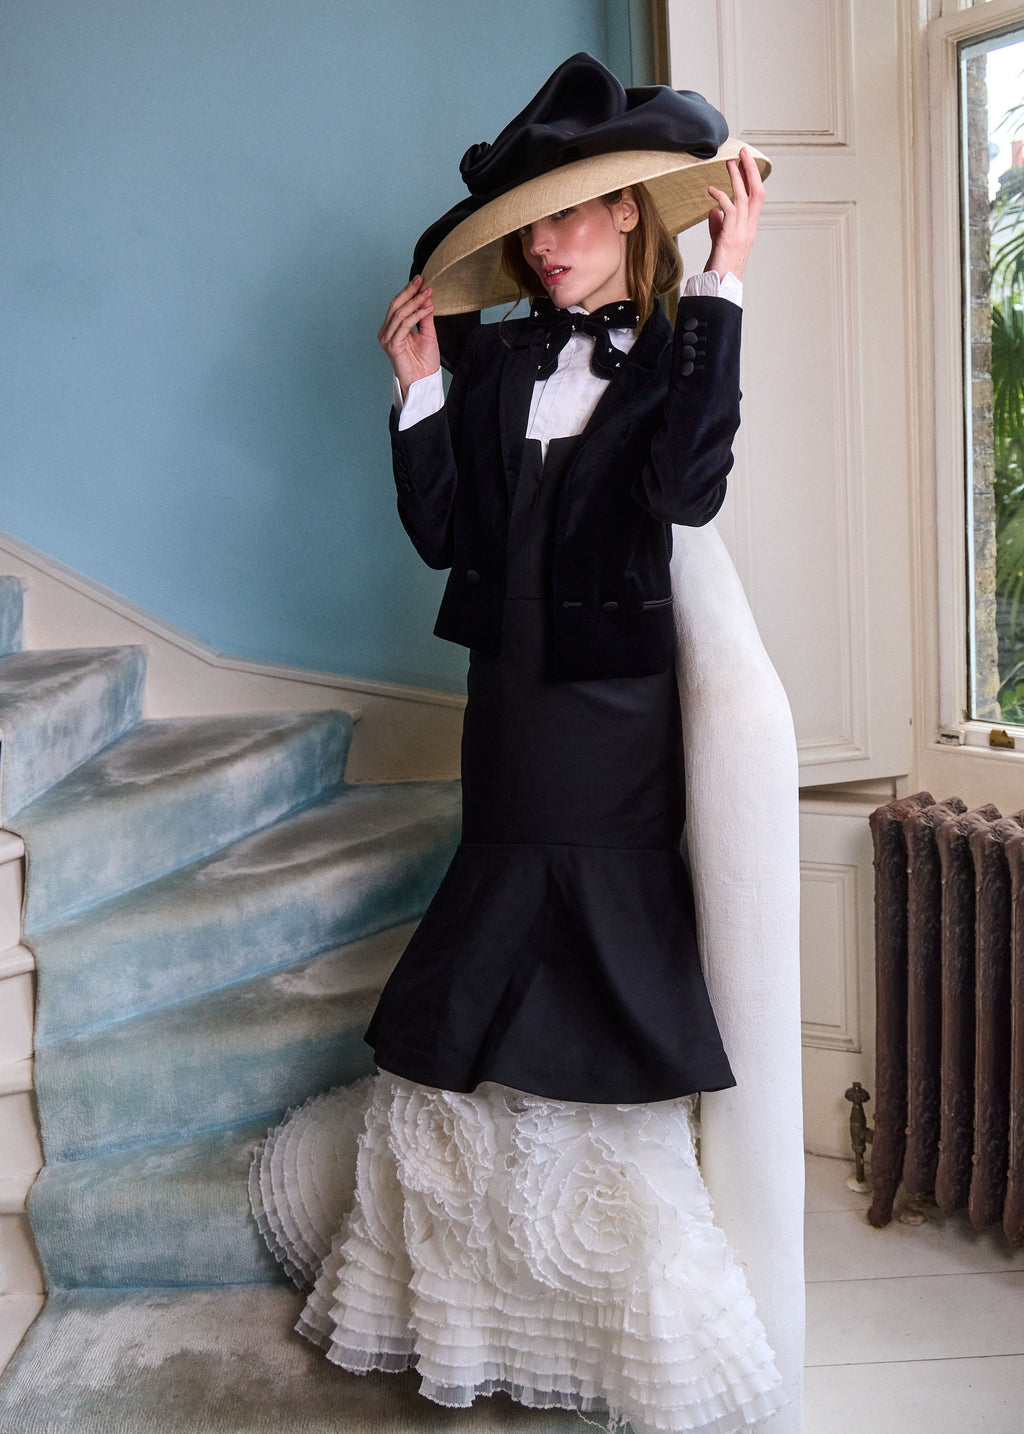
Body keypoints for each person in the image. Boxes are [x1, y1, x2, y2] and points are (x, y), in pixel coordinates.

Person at [251, 53, 786, 1434]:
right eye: (531, 225)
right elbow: (444, 534)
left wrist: (725, 283)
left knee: (597, 948)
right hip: (509, 704)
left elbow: (688, 489)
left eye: (573, 216)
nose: (548, 246)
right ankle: (480, 1294)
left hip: (615, 720)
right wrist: (419, 386)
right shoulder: (488, 358)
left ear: (628, 213)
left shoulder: (674, 346)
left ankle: (609, 1298)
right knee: (488, 941)